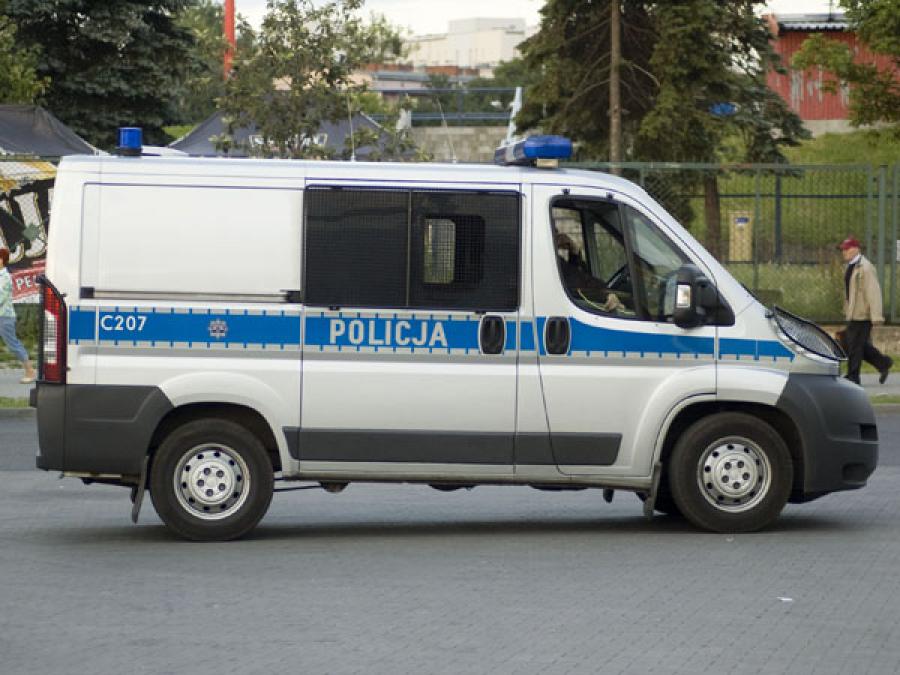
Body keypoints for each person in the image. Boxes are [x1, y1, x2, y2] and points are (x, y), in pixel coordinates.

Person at [838, 236, 892, 385]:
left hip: (863, 314)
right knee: (854, 344)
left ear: (856, 249)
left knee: (855, 346)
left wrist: (876, 316)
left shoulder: (866, 268)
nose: (844, 252)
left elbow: (873, 292)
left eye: (847, 249)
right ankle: (883, 363)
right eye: (843, 249)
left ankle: (853, 376)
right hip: (853, 313)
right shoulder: (851, 266)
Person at [0, 247, 36, 384]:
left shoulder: (5, 277)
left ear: (1, 260)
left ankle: (30, 371)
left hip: (4, 317)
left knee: (13, 345)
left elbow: (1, 298)